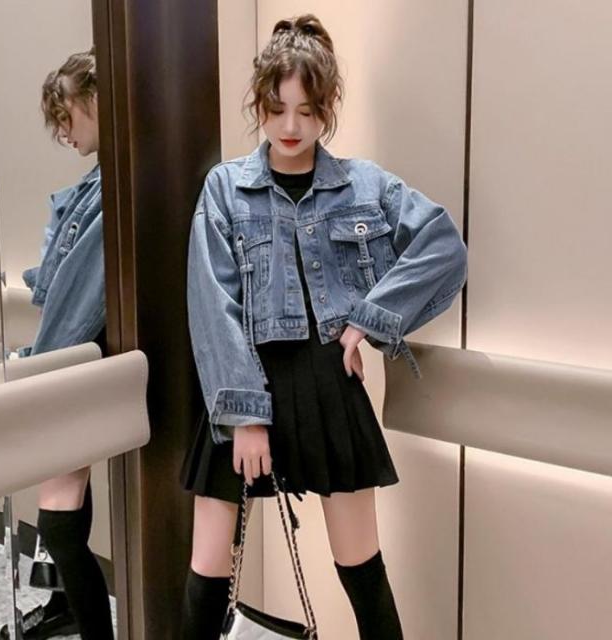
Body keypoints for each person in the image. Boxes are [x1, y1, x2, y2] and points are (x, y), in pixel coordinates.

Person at [181, 14, 467, 640]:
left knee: (362, 569)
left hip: (328, 386)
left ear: (328, 108)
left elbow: (444, 246)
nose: (291, 126)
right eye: (277, 109)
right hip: (242, 384)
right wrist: (246, 416)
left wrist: (368, 319)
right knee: (207, 574)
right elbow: (213, 304)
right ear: (259, 102)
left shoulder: (363, 185)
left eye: (307, 111)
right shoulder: (225, 188)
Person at [0, 48, 111, 640]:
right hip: (79, 360)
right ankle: (72, 610)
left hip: (76, 361)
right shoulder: (97, 185)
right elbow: (59, 282)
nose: (64, 133)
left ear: (95, 99)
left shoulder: (112, 187)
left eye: (66, 116)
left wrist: (37, 367)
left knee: (59, 523)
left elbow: (78, 296)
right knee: (64, 517)